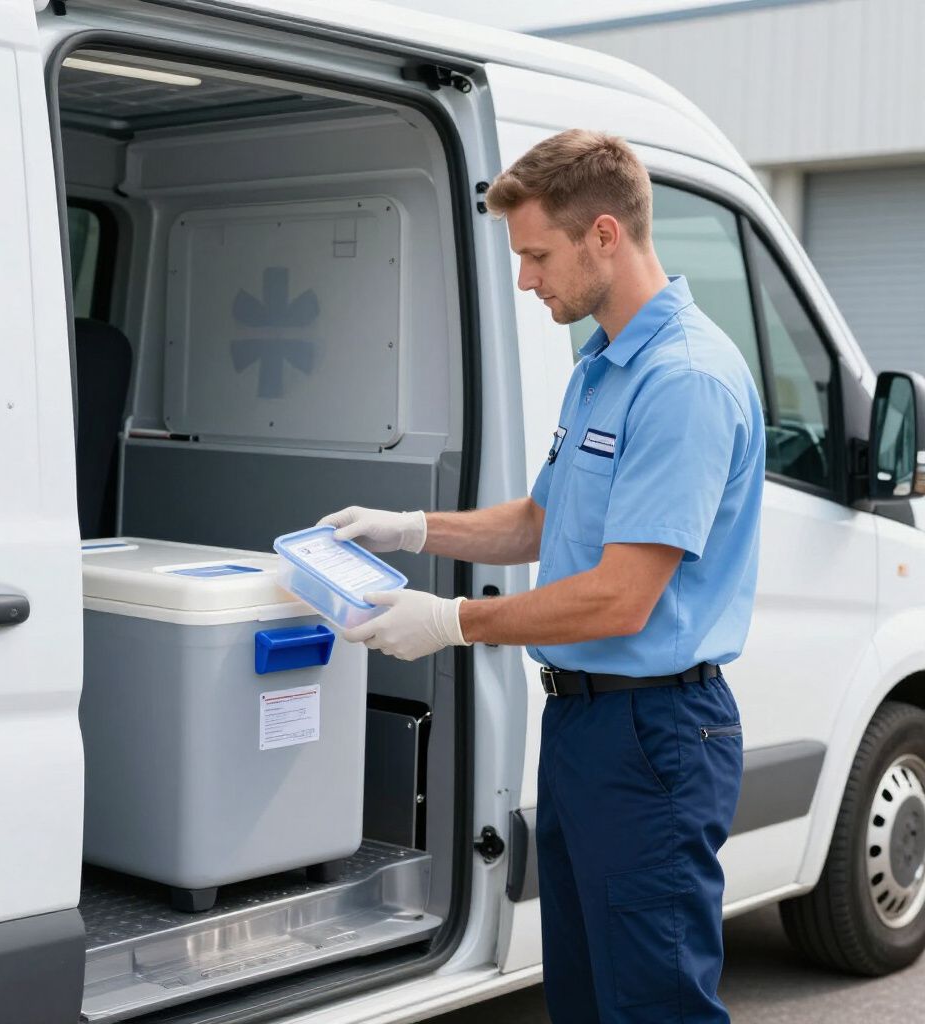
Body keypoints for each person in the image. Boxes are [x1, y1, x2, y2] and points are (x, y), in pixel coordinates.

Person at [319, 129, 765, 1023]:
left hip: (655, 734)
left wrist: (451, 622)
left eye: (536, 255)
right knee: (588, 1001)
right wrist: (411, 528)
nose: (525, 280)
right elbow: (539, 520)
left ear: (606, 234)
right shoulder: (602, 365)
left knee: (653, 1005)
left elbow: (622, 594)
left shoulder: (682, 381)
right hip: (587, 728)